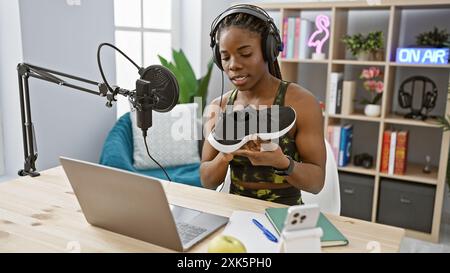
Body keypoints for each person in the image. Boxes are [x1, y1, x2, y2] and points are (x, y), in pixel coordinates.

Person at [200, 4, 325, 206]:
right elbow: (207, 180)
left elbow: (316, 183)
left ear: (269, 50)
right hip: (235, 213)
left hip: (284, 215)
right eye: (225, 57)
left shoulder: (301, 103)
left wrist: (282, 162)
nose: (233, 65)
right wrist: (225, 155)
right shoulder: (219, 106)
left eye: (246, 54)